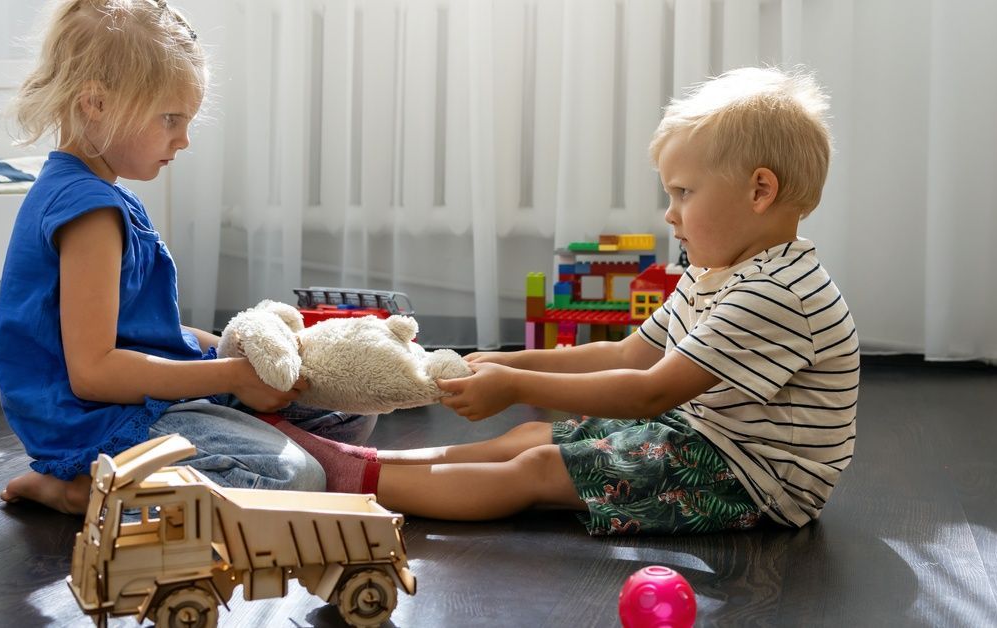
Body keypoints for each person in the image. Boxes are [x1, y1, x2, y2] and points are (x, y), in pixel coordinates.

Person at [279, 66, 858, 535]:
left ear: (760, 191)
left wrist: (516, 386)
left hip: (752, 480)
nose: (670, 212)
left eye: (684, 192)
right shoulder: (720, 272)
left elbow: (651, 389)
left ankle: (340, 482)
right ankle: (364, 464)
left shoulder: (775, 293)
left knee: (535, 468)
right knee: (532, 437)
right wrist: (506, 362)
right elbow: (633, 354)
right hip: (703, 435)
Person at [0, 0, 375, 515]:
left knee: (338, 409)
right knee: (296, 477)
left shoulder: (104, 197)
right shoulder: (88, 212)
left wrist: (231, 352)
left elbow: (143, 332)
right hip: (96, 419)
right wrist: (232, 378)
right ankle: (82, 488)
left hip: (138, 398)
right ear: (96, 104)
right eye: (170, 118)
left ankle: (225, 448)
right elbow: (94, 373)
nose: (184, 138)